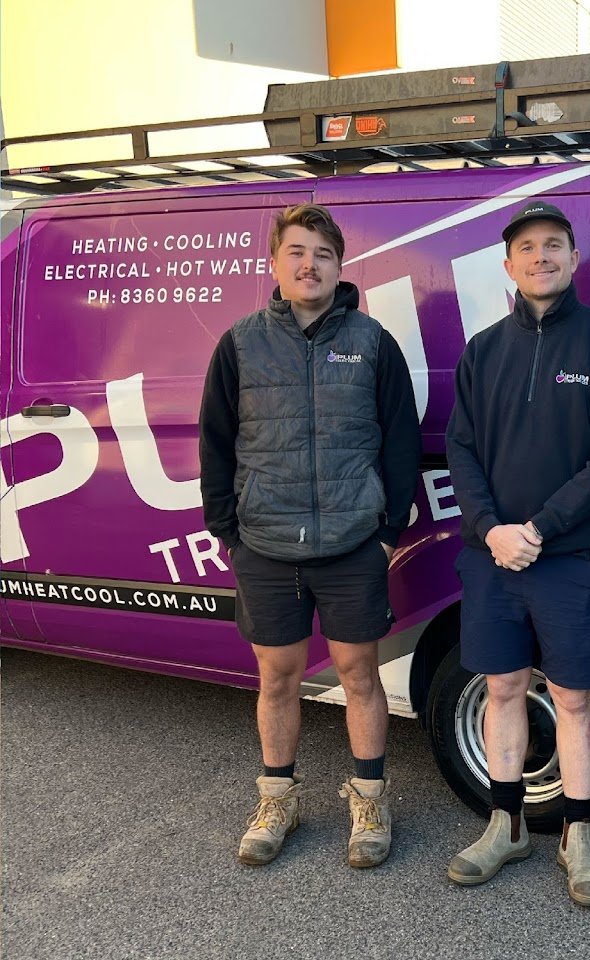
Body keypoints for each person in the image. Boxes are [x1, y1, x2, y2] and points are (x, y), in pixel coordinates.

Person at [199, 202, 420, 868]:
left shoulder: (373, 342)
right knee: (277, 679)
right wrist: (229, 532)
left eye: (323, 254)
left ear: (340, 265)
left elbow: (401, 441)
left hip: (353, 545)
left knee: (359, 676)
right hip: (266, 546)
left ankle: (370, 801)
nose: (309, 265)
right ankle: (278, 801)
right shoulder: (240, 343)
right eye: (296, 251)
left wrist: (387, 532)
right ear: (274, 262)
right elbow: (215, 442)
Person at [444, 201, 590, 907]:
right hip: (492, 557)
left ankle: (578, 836)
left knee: (574, 697)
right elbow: (461, 448)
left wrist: (540, 529)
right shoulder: (483, 351)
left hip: (569, 560)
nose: (541, 257)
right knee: (502, 689)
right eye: (526, 248)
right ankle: (506, 826)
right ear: (509, 265)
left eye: (553, 244)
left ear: (574, 258)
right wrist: (492, 528)